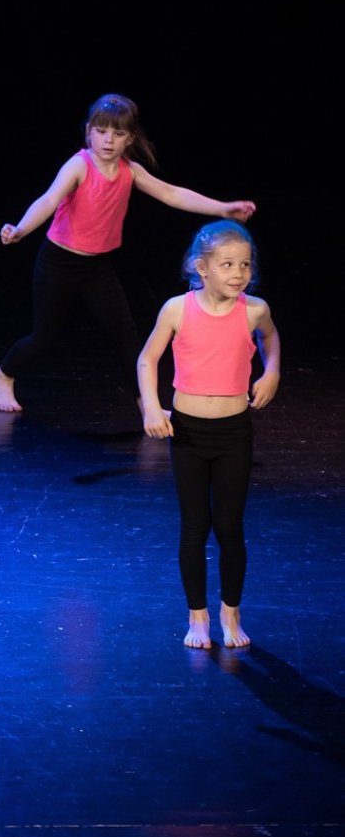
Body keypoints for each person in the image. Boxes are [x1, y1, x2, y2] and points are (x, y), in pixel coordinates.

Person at [0, 93, 256, 412]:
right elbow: (49, 200)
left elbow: (171, 193)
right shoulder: (79, 165)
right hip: (58, 263)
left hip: (96, 269)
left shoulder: (130, 171)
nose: (108, 140)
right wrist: (20, 229)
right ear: (89, 132)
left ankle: (147, 406)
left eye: (118, 134)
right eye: (102, 132)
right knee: (43, 338)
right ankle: (3, 376)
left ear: (129, 138)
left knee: (126, 336)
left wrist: (223, 208)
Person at [137, 221, 279, 650]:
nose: (239, 273)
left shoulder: (254, 310)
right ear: (202, 268)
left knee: (230, 526)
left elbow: (271, 338)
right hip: (189, 433)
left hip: (234, 433)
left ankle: (230, 612)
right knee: (195, 525)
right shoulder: (177, 310)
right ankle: (197, 615)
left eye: (245, 265)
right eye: (227, 265)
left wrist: (272, 371)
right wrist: (151, 406)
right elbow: (147, 359)